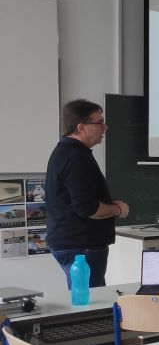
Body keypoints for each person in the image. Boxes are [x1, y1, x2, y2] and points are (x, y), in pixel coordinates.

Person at [45, 99, 130, 288]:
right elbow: (88, 208)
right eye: (99, 122)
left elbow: (79, 200)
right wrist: (118, 210)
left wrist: (109, 205)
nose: (105, 127)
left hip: (74, 243)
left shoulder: (67, 151)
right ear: (81, 127)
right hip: (81, 246)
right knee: (90, 300)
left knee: (87, 296)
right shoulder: (76, 158)